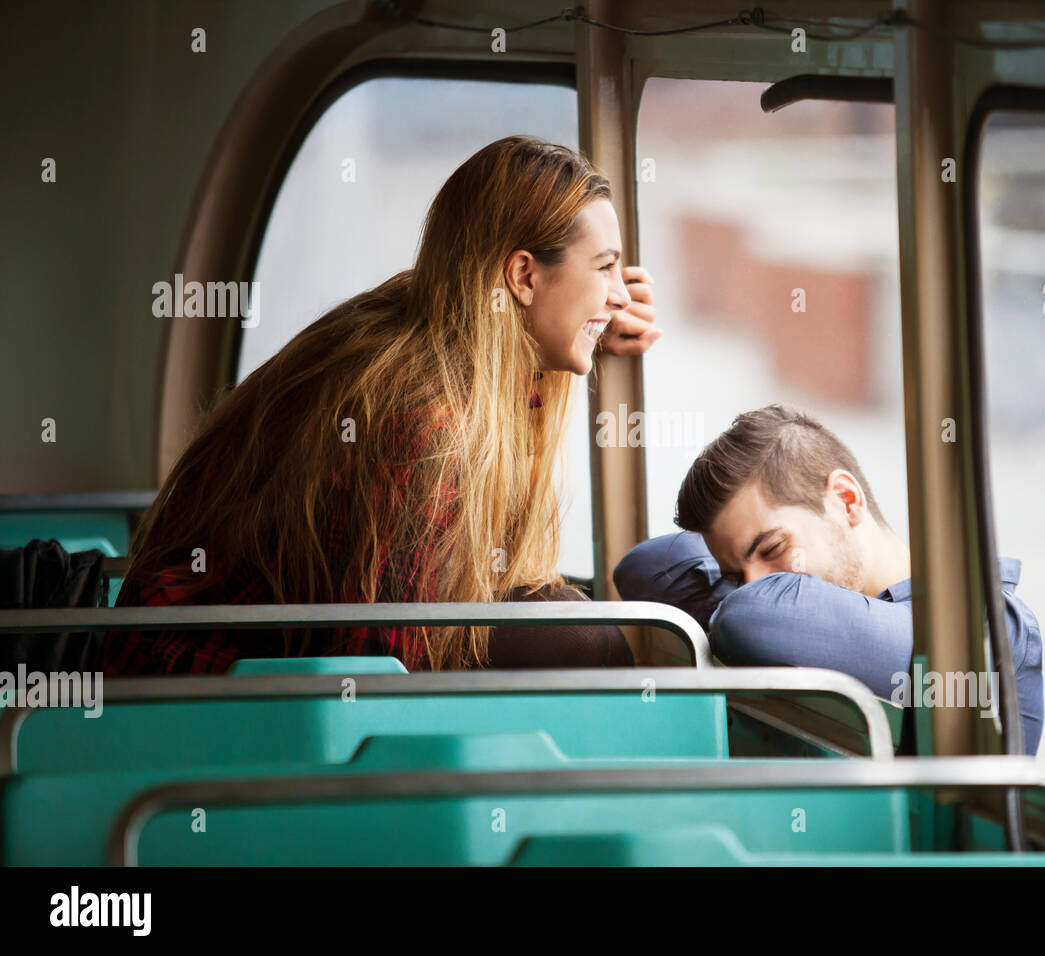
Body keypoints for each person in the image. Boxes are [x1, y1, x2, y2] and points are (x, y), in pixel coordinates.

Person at [103, 136, 661, 676]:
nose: (621, 294)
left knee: (566, 617)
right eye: (605, 267)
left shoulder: (430, 323)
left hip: (223, 658)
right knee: (582, 640)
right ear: (522, 276)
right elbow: (371, 669)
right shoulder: (426, 423)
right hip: (187, 690)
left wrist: (586, 327)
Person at [614, 404, 1044, 754]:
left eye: (771, 549)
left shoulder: (991, 625)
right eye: (733, 573)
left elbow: (750, 616)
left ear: (846, 499)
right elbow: (642, 569)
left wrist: (738, 593)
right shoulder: (778, 611)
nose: (752, 586)